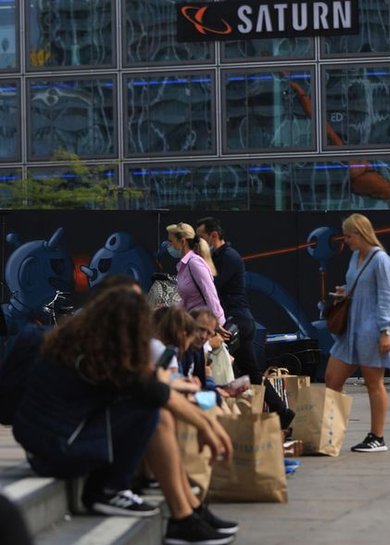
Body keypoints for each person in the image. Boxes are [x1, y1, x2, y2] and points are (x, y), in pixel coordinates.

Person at [12, 287, 237, 545]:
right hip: (57, 449)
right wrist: (205, 425)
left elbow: (153, 386)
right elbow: (154, 390)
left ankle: (190, 511)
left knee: (152, 407)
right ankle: (120, 493)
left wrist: (205, 423)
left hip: (51, 443)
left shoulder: (80, 341)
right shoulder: (95, 353)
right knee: (153, 412)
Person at [325, 214, 390, 452]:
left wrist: (386, 331)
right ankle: (329, 433)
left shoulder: (381, 260)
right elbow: (363, 287)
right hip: (352, 328)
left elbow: (388, 296)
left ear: (361, 233)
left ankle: (377, 436)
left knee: (373, 382)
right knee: (332, 379)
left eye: (349, 236)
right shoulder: (356, 256)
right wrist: (346, 293)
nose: (346, 241)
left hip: (372, 329)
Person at [195, 217, 294, 428]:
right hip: (235, 319)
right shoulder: (218, 257)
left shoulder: (229, 257)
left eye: (201, 238)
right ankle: (279, 413)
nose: (199, 243)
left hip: (236, 321)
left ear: (213, 236)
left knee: (233, 369)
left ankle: (267, 415)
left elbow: (213, 286)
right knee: (250, 372)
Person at [166, 223, 225, 328]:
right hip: (195, 325)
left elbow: (210, 293)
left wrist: (217, 324)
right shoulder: (184, 265)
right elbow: (187, 300)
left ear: (183, 242)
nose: (168, 246)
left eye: (171, 242)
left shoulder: (194, 263)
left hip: (206, 326)